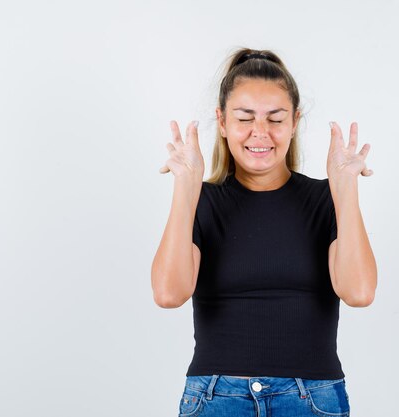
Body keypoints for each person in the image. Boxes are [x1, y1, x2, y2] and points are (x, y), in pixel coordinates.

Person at [151, 47, 377, 417]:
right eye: (245, 118)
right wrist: (186, 186)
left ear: (294, 122)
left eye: (275, 118)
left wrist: (345, 186)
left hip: (311, 400)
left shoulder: (325, 199)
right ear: (222, 122)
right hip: (215, 399)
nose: (261, 133)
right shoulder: (202, 201)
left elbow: (359, 292)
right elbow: (168, 293)